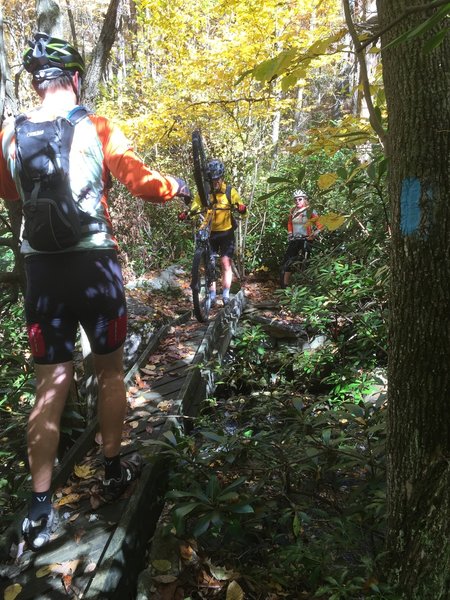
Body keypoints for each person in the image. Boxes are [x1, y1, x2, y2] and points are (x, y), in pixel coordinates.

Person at [0, 32, 191, 550]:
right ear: (75, 78)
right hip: (96, 267)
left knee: (50, 385)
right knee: (108, 372)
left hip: (41, 274)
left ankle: (40, 509)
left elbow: (8, 190)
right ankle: (112, 469)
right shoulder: (99, 126)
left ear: (34, 83)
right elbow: (144, 186)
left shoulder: (8, 134)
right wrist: (175, 185)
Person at [178, 159, 247, 306]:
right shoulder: (204, 193)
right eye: (212, 179)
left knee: (225, 262)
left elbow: (241, 208)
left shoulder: (230, 191)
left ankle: (226, 295)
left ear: (222, 177)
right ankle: (212, 295)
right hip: (210, 232)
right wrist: (187, 213)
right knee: (209, 263)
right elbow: (195, 207)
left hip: (226, 232)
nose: (215, 182)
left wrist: (242, 208)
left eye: (217, 179)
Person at [281, 189, 321, 288]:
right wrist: (290, 233)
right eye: (296, 200)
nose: (298, 201)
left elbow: (319, 222)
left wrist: (317, 231)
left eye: (300, 199)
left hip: (307, 239)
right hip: (295, 239)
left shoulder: (309, 210)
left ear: (304, 199)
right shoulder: (293, 211)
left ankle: (304, 285)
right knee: (288, 261)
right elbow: (290, 223)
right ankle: (285, 285)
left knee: (305, 261)